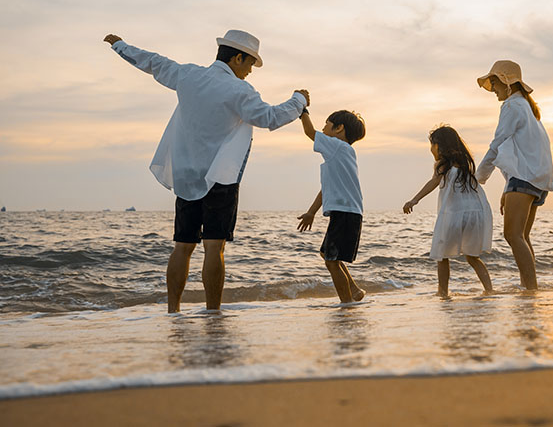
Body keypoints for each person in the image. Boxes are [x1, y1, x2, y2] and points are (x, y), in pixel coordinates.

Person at [103, 30, 310, 312]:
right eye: (250, 64)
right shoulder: (239, 90)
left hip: (186, 176)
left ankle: (173, 310)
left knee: (182, 245)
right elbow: (269, 118)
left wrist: (121, 46)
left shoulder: (187, 75)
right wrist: (298, 100)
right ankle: (213, 311)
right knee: (214, 247)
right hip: (220, 177)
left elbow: (153, 62)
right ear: (238, 58)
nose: (250, 72)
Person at [475, 60, 553, 291]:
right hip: (538, 179)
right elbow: (523, 153)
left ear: (507, 83)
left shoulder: (512, 107)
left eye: (494, 82)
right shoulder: (528, 110)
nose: (493, 89)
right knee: (523, 236)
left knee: (512, 235)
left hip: (525, 179)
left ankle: (530, 288)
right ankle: (530, 288)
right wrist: (508, 186)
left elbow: (497, 144)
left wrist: (478, 177)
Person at [403, 125, 494, 297]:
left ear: (439, 145)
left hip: (455, 214)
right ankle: (489, 290)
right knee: (473, 257)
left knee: (442, 255)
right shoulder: (466, 163)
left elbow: (434, 182)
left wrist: (415, 199)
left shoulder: (443, 164)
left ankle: (443, 292)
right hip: (476, 213)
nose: (431, 149)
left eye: (432, 145)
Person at [296, 109, 366, 304]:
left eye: (326, 124)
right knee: (327, 254)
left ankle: (347, 303)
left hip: (346, 212)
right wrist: (311, 212)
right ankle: (354, 290)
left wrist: (302, 111)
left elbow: (310, 132)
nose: (323, 128)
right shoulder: (341, 154)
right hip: (346, 212)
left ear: (339, 128)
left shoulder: (337, 147)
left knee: (331, 260)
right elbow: (326, 189)